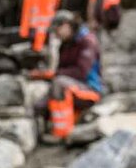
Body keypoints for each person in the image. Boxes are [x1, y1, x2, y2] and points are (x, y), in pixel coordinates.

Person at [31, 10, 102, 140]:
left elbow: (81, 72)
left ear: (66, 25)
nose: (56, 34)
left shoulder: (87, 41)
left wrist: (53, 74)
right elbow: (61, 70)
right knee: (39, 105)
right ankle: (43, 132)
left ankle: (63, 133)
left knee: (59, 83)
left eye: (57, 30)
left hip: (89, 89)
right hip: (69, 85)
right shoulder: (65, 44)